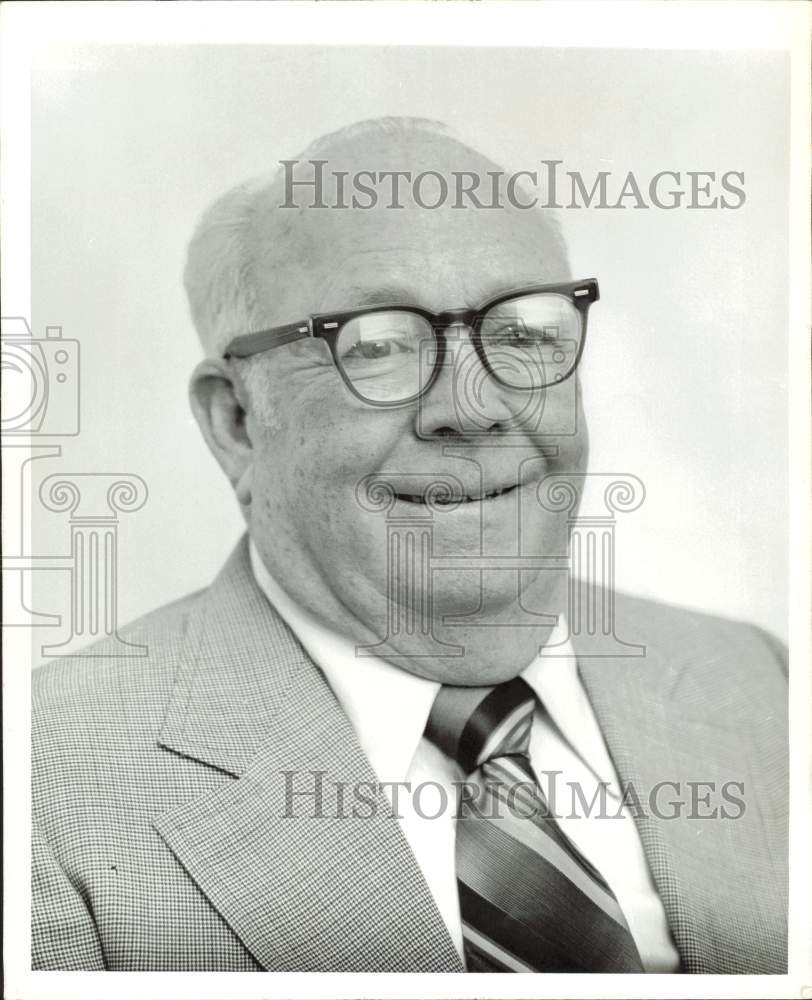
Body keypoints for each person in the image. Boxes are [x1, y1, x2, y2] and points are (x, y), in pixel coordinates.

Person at [32, 117, 787, 973]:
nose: (472, 408)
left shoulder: (761, 683)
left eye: (520, 334)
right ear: (237, 423)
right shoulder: (44, 791)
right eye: (379, 345)